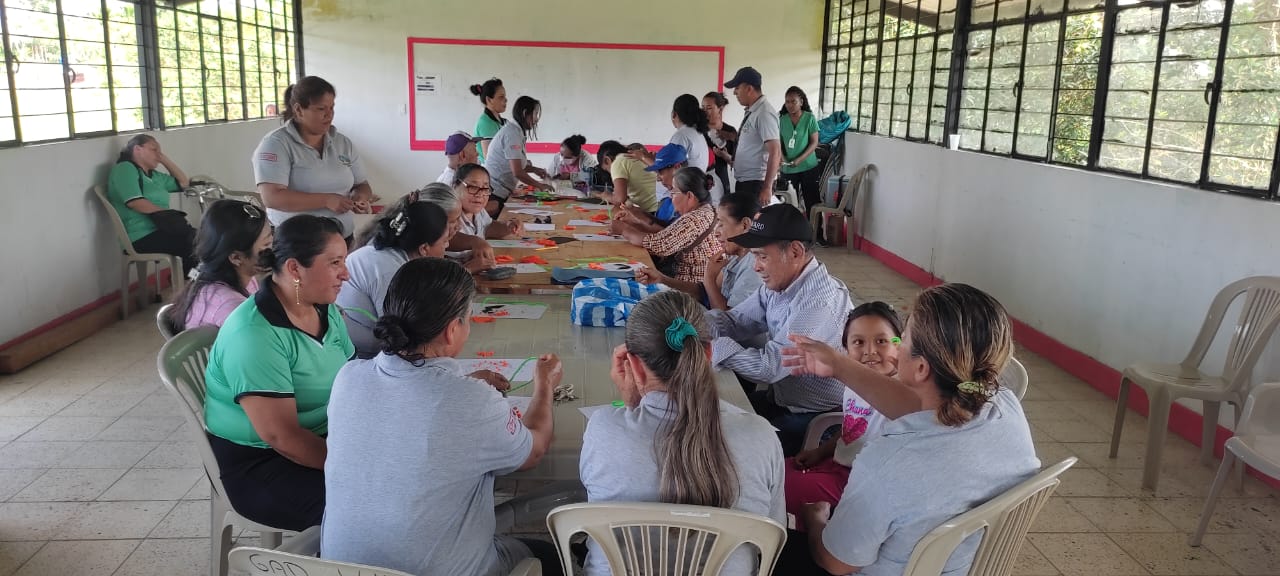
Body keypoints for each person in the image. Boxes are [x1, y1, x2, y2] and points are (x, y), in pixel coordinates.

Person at [323, 258, 563, 576]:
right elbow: (534, 449)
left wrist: (464, 386)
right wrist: (544, 385)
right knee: (551, 557)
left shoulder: (349, 377)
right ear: (452, 331)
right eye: (468, 318)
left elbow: (407, 409)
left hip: (339, 569)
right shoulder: (471, 400)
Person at [781, 284, 1039, 576]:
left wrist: (815, 519)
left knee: (772, 548)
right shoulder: (1005, 406)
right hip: (969, 565)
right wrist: (839, 365)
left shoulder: (890, 458)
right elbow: (915, 407)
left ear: (921, 368)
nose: (898, 343)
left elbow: (835, 562)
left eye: (902, 338)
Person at [579, 290, 785, 576]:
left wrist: (632, 405)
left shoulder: (603, 428)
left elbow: (630, 457)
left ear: (633, 365)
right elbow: (773, 533)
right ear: (708, 354)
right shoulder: (761, 435)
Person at [202, 215, 353, 531]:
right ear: (295, 268)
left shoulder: (323, 306)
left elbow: (352, 377)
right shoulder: (254, 335)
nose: (346, 274)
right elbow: (282, 437)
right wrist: (354, 466)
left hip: (324, 435)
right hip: (262, 462)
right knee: (368, 506)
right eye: (335, 263)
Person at [705, 204, 853, 455]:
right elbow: (735, 321)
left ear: (795, 251)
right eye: (754, 256)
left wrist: (710, 346)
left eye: (762, 256)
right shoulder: (780, 285)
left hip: (815, 418)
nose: (756, 267)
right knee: (710, 415)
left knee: (728, 448)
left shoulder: (819, 302)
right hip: (782, 400)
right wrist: (692, 324)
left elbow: (770, 366)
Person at [784, 302, 901, 532]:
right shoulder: (854, 383)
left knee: (783, 487)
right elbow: (851, 428)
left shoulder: (900, 391)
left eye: (881, 341)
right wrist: (820, 451)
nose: (870, 351)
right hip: (836, 466)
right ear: (845, 348)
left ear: (898, 345)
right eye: (858, 342)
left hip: (860, 484)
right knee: (775, 470)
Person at [253, 76, 374, 243]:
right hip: (296, 240)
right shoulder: (276, 144)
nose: (329, 114)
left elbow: (362, 185)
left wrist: (360, 198)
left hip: (340, 237)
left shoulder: (342, 143)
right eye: (321, 109)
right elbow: (272, 197)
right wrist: (326, 200)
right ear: (298, 110)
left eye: (332, 107)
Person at [337, 201, 450, 358]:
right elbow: (399, 334)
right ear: (424, 249)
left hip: (370, 338)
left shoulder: (391, 255)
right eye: (444, 241)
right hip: (363, 352)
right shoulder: (391, 271)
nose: (447, 245)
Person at [635, 191, 762, 311]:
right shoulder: (734, 256)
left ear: (745, 225)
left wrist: (709, 279)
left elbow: (730, 320)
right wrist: (662, 279)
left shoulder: (754, 267)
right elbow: (704, 293)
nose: (716, 232)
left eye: (722, 224)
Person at [163, 200, 272, 333]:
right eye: (267, 244)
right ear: (236, 258)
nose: (273, 249)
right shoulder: (231, 306)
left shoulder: (225, 277)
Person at [613, 167, 722, 285]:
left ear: (689, 196)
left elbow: (660, 245)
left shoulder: (696, 218)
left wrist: (624, 230)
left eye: (674, 193)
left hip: (690, 285)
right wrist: (634, 223)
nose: (671, 197)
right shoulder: (705, 211)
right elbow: (666, 234)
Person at [106, 134, 196, 273]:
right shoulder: (125, 169)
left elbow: (184, 183)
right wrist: (170, 215)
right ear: (137, 149)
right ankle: (190, 280)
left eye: (160, 152)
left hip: (162, 229)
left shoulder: (154, 175)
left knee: (202, 239)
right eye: (154, 150)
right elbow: (135, 202)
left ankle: (191, 278)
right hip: (139, 235)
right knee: (192, 242)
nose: (158, 155)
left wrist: (164, 159)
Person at [484, 95, 553, 216]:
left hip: (500, 190)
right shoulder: (512, 134)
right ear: (525, 113)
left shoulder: (516, 131)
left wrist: (534, 169)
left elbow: (516, 164)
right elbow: (517, 171)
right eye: (535, 114)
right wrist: (540, 185)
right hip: (495, 193)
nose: (536, 119)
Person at [723, 67, 781, 207]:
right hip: (747, 182)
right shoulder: (754, 111)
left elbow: (775, 152)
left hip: (756, 183)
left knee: (753, 219)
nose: (735, 92)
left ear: (749, 88)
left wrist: (767, 187)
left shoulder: (764, 113)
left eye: (737, 88)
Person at [779, 86, 823, 211]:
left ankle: (814, 224)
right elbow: (778, 144)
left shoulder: (809, 118)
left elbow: (814, 142)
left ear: (801, 102)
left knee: (812, 202)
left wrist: (799, 159)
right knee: (788, 204)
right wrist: (783, 158)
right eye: (787, 102)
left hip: (808, 167)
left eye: (793, 101)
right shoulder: (781, 120)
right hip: (788, 168)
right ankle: (793, 224)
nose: (790, 105)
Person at [454, 164, 523, 239]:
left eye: (485, 188)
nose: (480, 194)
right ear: (455, 186)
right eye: (473, 187)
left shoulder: (479, 211)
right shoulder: (450, 217)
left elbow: (487, 227)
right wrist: (475, 242)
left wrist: (508, 227)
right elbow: (455, 240)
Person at [596, 140, 659, 214]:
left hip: (652, 212)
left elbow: (620, 199)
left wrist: (605, 196)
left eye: (606, 169)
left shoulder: (618, 161)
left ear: (607, 160)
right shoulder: (632, 156)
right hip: (660, 206)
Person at [704, 91, 739, 194]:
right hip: (701, 180)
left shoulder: (730, 132)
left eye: (709, 108)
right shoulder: (699, 130)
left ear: (720, 109)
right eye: (703, 108)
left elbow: (736, 163)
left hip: (721, 179)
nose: (705, 111)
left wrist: (725, 156)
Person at [471, 78, 507, 163]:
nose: (506, 100)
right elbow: (490, 159)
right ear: (489, 100)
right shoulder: (485, 123)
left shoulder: (503, 122)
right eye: (501, 97)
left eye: (505, 96)